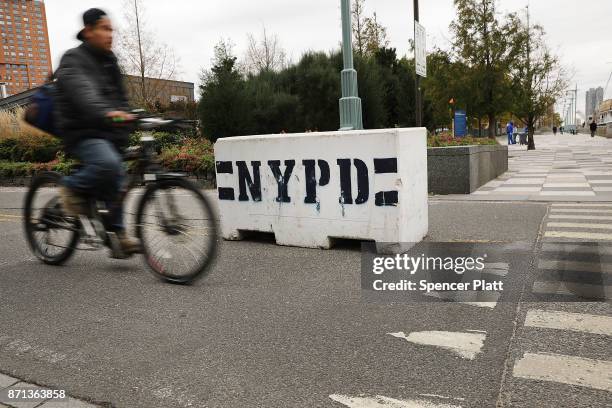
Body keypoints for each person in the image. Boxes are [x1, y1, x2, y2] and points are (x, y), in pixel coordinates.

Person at [55, 8, 140, 254]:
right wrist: (106, 113)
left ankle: (118, 235)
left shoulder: (110, 61)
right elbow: (84, 96)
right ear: (88, 31)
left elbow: (121, 99)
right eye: (104, 29)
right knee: (109, 164)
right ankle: (70, 187)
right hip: (81, 130)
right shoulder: (72, 59)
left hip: (106, 130)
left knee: (118, 176)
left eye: (111, 29)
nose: (110, 34)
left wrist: (133, 115)